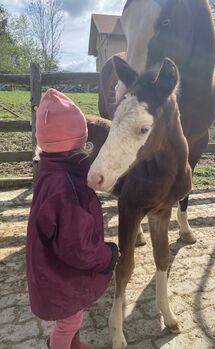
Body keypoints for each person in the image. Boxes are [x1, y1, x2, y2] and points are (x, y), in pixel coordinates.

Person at [26, 88, 118, 349]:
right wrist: (106, 256)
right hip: (60, 273)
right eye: (83, 142)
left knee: (73, 315)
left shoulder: (52, 170)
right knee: (68, 320)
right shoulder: (68, 189)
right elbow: (77, 247)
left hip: (50, 266)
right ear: (75, 142)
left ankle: (71, 343)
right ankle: (59, 345)